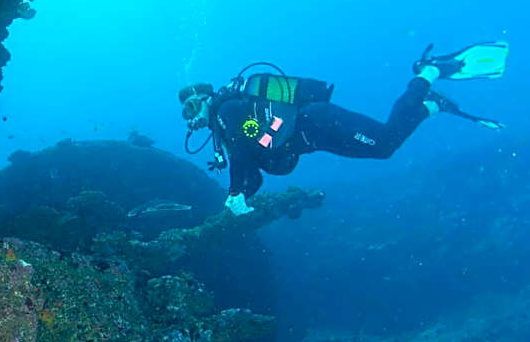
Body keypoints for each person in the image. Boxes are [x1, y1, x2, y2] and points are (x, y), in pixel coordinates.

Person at [179, 42, 509, 216]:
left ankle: (428, 73)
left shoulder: (228, 110)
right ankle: (429, 104)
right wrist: (242, 199)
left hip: (319, 122)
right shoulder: (228, 125)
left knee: (384, 141)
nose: (190, 117)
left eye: (191, 107)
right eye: (185, 113)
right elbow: (253, 168)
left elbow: (243, 152)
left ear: (206, 98)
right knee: (384, 149)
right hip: (315, 137)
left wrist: (235, 193)